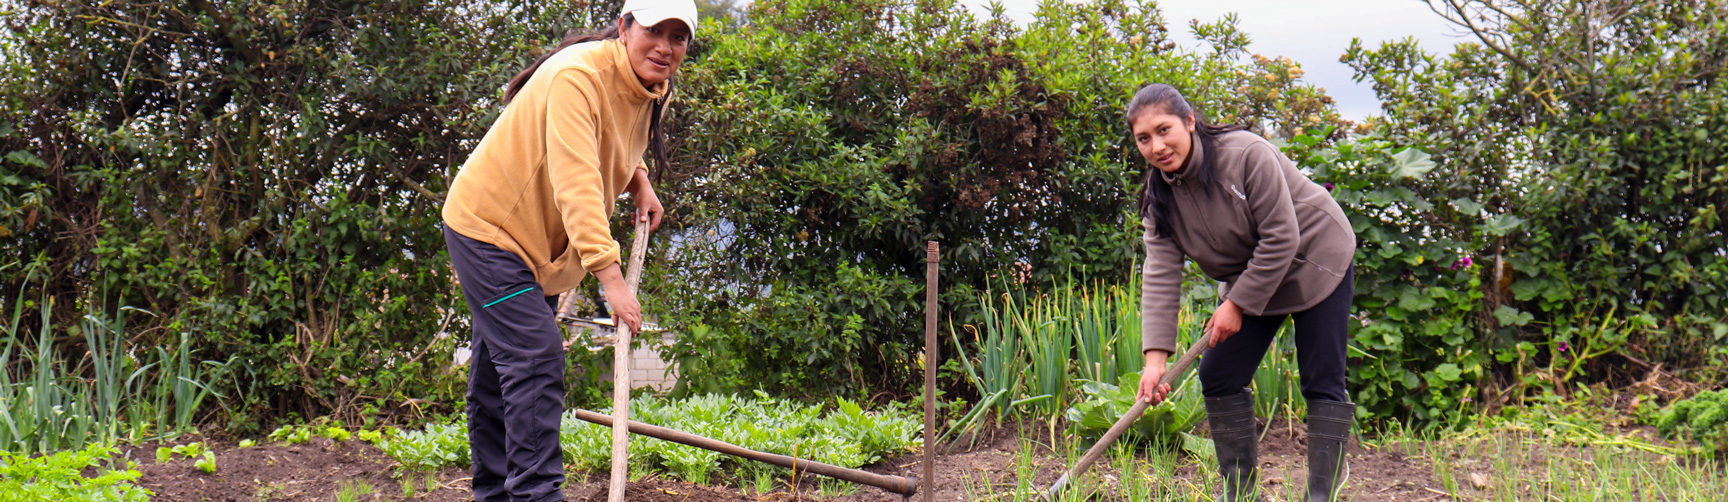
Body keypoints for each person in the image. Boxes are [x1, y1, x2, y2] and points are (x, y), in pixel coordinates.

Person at [439, 0, 696, 499]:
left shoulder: (650, 84)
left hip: (542, 250)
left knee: (499, 371)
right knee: (534, 359)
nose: (664, 47)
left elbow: (612, 139)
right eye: (653, 30)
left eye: (678, 36)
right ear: (624, 28)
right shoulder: (575, 76)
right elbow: (576, 180)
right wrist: (611, 279)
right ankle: (537, 494)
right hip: (488, 233)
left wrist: (639, 179)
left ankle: (495, 493)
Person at [1127, 84, 1357, 502]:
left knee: (1322, 379)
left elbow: (1282, 237)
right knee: (1219, 375)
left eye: (1164, 130)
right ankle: (1240, 493)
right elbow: (1160, 274)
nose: (1157, 146)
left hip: (1316, 259)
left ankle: (1320, 496)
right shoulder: (1159, 199)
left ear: (1190, 122)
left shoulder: (1246, 154)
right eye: (1144, 138)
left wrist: (1237, 304)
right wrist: (1154, 361)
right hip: (1253, 280)